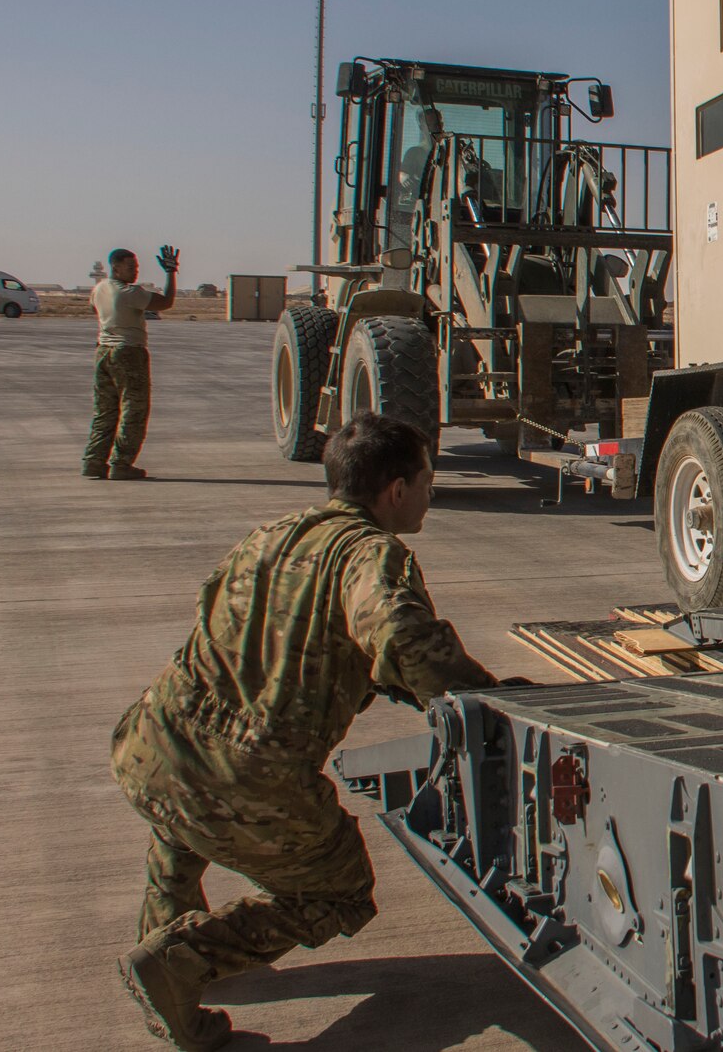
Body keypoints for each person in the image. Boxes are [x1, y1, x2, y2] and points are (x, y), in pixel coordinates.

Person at [110, 413, 499, 1051]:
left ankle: (167, 953)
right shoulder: (371, 553)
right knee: (341, 893)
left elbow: (236, 627)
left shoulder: (270, 535)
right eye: (428, 482)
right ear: (395, 491)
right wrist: (485, 703)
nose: (432, 495)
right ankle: (180, 961)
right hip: (245, 772)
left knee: (183, 822)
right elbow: (402, 636)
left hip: (155, 742)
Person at [83, 245, 179, 479]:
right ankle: (121, 463)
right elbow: (166, 302)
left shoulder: (99, 289)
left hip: (103, 351)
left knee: (104, 410)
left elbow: (93, 307)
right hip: (128, 351)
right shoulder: (128, 293)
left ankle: (94, 460)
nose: (135, 271)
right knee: (133, 410)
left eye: (136, 267)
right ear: (115, 267)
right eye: (130, 267)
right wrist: (170, 273)